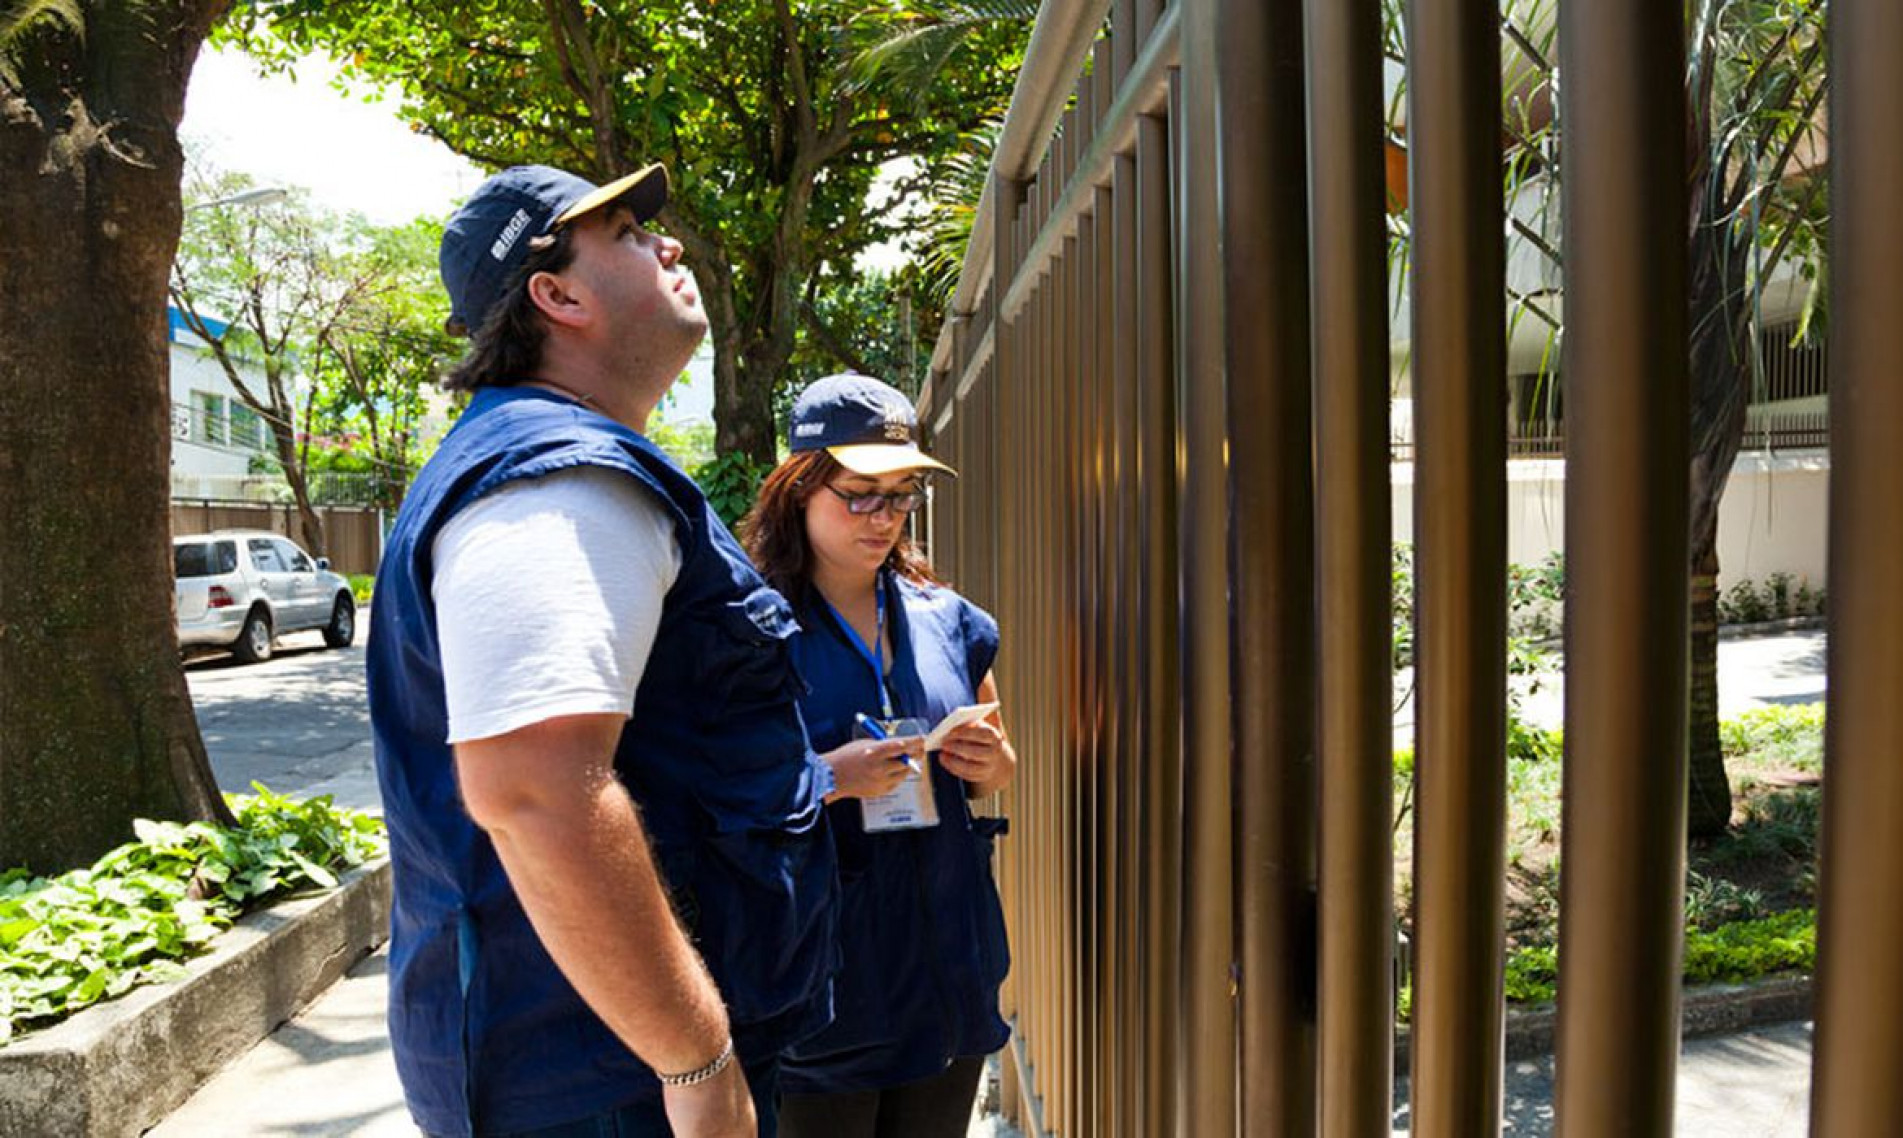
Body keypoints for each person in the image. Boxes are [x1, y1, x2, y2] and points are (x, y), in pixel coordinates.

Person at [366, 167, 913, 1138]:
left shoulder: (555, 460)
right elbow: (532, 789)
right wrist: (695, 1058)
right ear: (557, 294)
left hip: (606, 1066)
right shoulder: (553, 474)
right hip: (614, 1085)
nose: (668, 245)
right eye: (623, 231)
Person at [740, 374, 1019, 1137]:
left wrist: (987, 762)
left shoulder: (946, 618)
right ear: (799, 488)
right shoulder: (749, 630)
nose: (884, 517)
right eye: (860, 492)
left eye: (900, 496)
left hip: (946, 968)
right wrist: (830, 777)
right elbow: (710, 794)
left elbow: (1001, 768)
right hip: (823, 981)